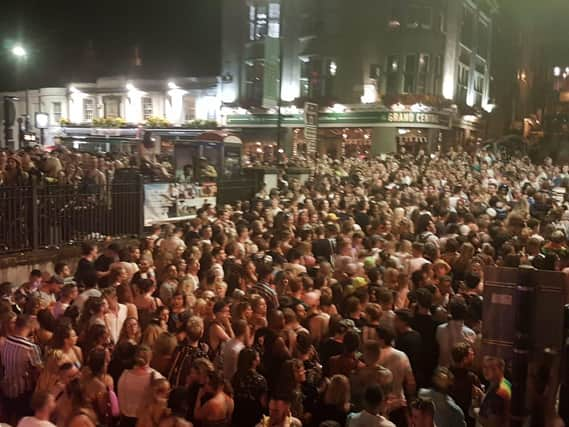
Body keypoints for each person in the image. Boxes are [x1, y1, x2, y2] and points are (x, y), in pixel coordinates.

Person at [1, 314, 43, 423]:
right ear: (30, 326)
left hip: (6, 386)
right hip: (23, 391)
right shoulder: (30, 347)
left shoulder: (6, 341)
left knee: (9, 417)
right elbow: (38, 370)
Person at [118, 345, 164, 427]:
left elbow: (120, 401)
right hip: (145, 423)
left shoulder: (124, 375)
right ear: (151, 357)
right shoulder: (157, 377)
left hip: (125, 422)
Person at [232, 347, 268, 427]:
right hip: (253, 417)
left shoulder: (236, 376)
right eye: (258, 356)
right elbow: (263, 403)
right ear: (253, 361)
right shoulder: (260, 380)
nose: (259, 358)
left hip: (238, 416)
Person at [436, 299, 476, 367]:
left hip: (443, 371)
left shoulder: (440, 329)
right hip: (460, 371)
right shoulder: (470, 334)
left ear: (451, 313)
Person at [476, 356, 511, 427]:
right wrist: (481, 394)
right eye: (485, 367)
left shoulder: (498, 394)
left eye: (492, 368)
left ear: (501, 369)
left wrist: (476, 414)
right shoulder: (504, 382)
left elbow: (493, 424)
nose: (486, 371)